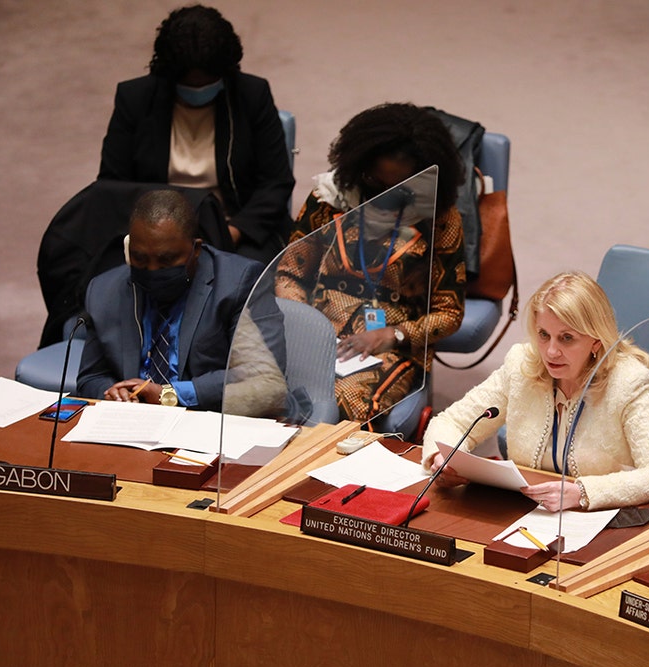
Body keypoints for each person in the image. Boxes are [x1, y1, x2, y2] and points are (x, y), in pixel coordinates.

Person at [421, 271, 649, 512]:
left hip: (602, 519)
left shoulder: (629, 382)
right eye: (544, 334)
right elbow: (450, 422)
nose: (551, 351)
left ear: (595, 341)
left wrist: (582, 492)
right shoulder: (521, 366)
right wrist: (442, 458)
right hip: (525, 514)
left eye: (566, 338)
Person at [274, 102, 466, 422]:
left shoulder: (439, 221)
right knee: (263, 390)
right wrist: (308, 328)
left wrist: (391, 335)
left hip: (387, 345)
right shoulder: (329, 199)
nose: (384, 197)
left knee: (341, 401)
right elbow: (289, 273)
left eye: (399, 190)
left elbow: (449, 313)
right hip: (317, 332)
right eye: (377, 184)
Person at [98, 4, 294, 264]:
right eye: (190, 85)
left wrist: (231, 233)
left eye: (208, 83)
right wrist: (158, 236)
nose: (199, 91)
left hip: (235, 228)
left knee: (248, 285)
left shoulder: (251, 95)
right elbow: (113, 185)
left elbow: (275, 183)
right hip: (155, 231)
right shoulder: (134, 99)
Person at [76, 189, 286, 412]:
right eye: (140, 258)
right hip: (133, 423)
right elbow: (91, 378)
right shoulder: (104, 290)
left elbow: (261, 375)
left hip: (209, 420)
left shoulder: (239, 282)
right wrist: (114, 393)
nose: (152, 269)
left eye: (166, 260)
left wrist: (170, 394)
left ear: (195, 250)